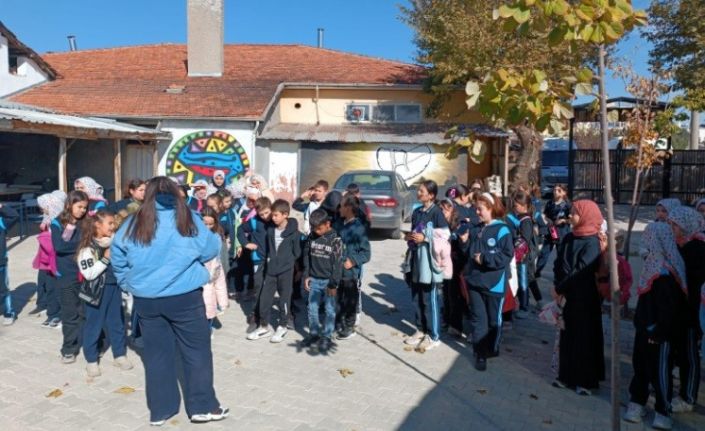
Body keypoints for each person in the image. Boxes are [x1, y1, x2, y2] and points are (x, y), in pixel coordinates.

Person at [111, 176, 227, 425]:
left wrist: (127, 283)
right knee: (196, 353)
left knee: (157, 356)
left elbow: (117, 256)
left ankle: (161, 411)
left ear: (148, 194)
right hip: (185, 298)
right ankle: (202, 407)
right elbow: (210, 249)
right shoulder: (187, 218)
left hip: (147, 300)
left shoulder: (133, 222)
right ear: (176, 193)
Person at [623, 222, 688, 429]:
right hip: (644, 328)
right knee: (640, 366)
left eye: (648, 240)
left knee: (661, 371)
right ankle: (637, 401)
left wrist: (659, 331)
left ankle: (663, 409)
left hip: (660, 334)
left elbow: (669, 309)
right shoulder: (651, 265)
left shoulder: (667, 272)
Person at [552, 200, 604, 395]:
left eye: (574, 213)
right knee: (567, 335)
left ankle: (585, 380)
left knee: (584, 338)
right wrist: (558, 285)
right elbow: (558, 262)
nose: (570, 216)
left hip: (585, 297)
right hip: (567, 295)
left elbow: (581, 270)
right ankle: (566, 376)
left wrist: (560, 287)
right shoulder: (569, 237)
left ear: (585, 216)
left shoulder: (593, 241)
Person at [76, 210, 133, 377]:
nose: (113, 226)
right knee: (94, 325)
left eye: (113, 223)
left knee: (117, 322)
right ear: (97, 225)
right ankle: (91, 361)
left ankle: (119, 355)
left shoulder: (115, 242)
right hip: (96, 293)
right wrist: (105, 258)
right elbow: (89, 274)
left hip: (114, 289)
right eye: (109, 223)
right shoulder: (87, 248)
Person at [464, 193, 514, 371]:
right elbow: (469, 253)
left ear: (491, 209)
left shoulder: (502, 230)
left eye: (480, 209)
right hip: (474, 282)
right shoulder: (476, 228)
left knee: (494, 320)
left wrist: (484, 259)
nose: (476, 211)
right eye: (476, 208)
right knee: (478, 319)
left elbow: (506, 255)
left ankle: (493, 348)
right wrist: (464, 243)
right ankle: (480, 353)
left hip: (494, 283)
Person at [404, 180, 449, 352]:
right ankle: (420, 329)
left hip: (429, 263)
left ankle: (433, 335)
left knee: (429, 298)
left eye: (422, 191)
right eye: (419, 190)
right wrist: (410, 237)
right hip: (415, 259)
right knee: (416, 297)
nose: (419, 192)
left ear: (431, 195)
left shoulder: (437, 213)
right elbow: (415, 231)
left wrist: (426, 239)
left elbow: (445, 235)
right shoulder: (416, 212)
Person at [668, 206, 705, 412]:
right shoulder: (680, 246)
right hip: (679, 311)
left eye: (674, 225)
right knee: (681, 354)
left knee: (689, 357)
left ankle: (688, 396)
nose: (671, 229)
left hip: (691, 313)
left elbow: (695, 285)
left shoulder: (697, 250)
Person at [248, 200, 301, 342]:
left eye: (276, 215)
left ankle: (282, 326)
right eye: (273, 215)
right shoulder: (271, 229)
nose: (273, 218)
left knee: (284, 299)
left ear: (285, 215)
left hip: (286, 271)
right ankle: (264, 326)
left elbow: (297, 252)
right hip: (271, 271)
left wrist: (290, 264)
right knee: (265, 299)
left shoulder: (294, 233)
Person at [51, 191, 89, 362]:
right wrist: (78, 239)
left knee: (88, 311)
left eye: (85, 208)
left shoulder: (87, 222)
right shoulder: (57, 222)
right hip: (66, 275)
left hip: (86, 274)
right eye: (79, 206)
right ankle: (69, 348)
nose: (82, 210)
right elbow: (60, 246)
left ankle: (96, 342)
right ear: (69, 204)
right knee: (70, 313)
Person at [302, 209, 343, 351]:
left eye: (319, 228)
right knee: (312, 308)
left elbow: (337, 264)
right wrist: (306, 275)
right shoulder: (311, 237)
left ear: (327, 224)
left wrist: (333, 284)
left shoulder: (335, 240)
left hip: (328, 282)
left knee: (329, 310)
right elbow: (306, 256)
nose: (316, 231)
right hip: (314, 279)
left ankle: (327, 336)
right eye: (314, 229)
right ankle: (313, 333)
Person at [335, 195, 371, 340]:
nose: (339, 208)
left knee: (350, 300)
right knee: (337, 300)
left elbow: (366, 253)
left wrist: (353, 261)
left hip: (350, 273)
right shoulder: (338, 224)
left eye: (342, 205)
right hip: (337, 271)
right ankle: (338, 322)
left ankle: (349, 327)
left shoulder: (358, 228)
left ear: (349, 208)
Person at [32, 191, 65, 326]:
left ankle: (58, 314)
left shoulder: (61, 221)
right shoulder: (48, 219)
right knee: (50, 287)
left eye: (44, 206)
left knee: (58, 288)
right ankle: (52, 314)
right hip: (48, 259)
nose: (42, 209)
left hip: (58, 259)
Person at [508, 191, 540, 317]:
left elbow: (524, 241)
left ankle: (524, 307)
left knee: (523, 282)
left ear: (524, 205)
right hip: (520, 257)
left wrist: (517, 254)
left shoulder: (525, 220)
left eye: (516, 206)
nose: (514, 208)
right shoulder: (521, 218)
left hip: (523, 258)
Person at [238, 197, 271, 315]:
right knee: (258, 287)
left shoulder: (275, 220)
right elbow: (240, 230)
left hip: (274, 260)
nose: (265, 216)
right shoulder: (253, 221)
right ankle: (254, 314)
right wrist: (246, 243)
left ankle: (287, 315)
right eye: (261, 214)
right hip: (258, 260)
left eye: (267, 212)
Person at [200, 207, 230, 337]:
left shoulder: (216, 237)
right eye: (204, 223)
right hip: (197, 277)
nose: (207, 227)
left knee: (209, 305)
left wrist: (223, 302)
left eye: (210, 224)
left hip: (212, 274)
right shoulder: (193, 236)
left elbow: (219, 268)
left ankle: (208, 328)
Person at [536, 184, 571, 278]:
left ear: (564, 192)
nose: (556, 192)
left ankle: (561, 275)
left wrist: (564, 220)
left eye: (559, 190)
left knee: (561, 255)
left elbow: (572, 219)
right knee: (544, 253)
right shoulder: (550, 203)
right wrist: (546, 219)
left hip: (562, 232)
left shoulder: (567, 205)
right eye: (555, 190)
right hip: (550, 231)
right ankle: (537, 272)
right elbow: (545, 215)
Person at [438, 199, 462, 335]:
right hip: (444, 264)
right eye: (441, 209)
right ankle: (447, 319)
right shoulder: (440, 225)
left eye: (446, 209)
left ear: (452, 210)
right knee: (446, 294)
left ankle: (456, 325)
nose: (443, 212)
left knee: (455, 296)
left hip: (456, 265)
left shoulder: (457, 225)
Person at [0, 202, 19, 326]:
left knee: (3, 289)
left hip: (0, 262)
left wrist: (2, 207)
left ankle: (8, 313)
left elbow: (14, 216)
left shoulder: (2, 222)